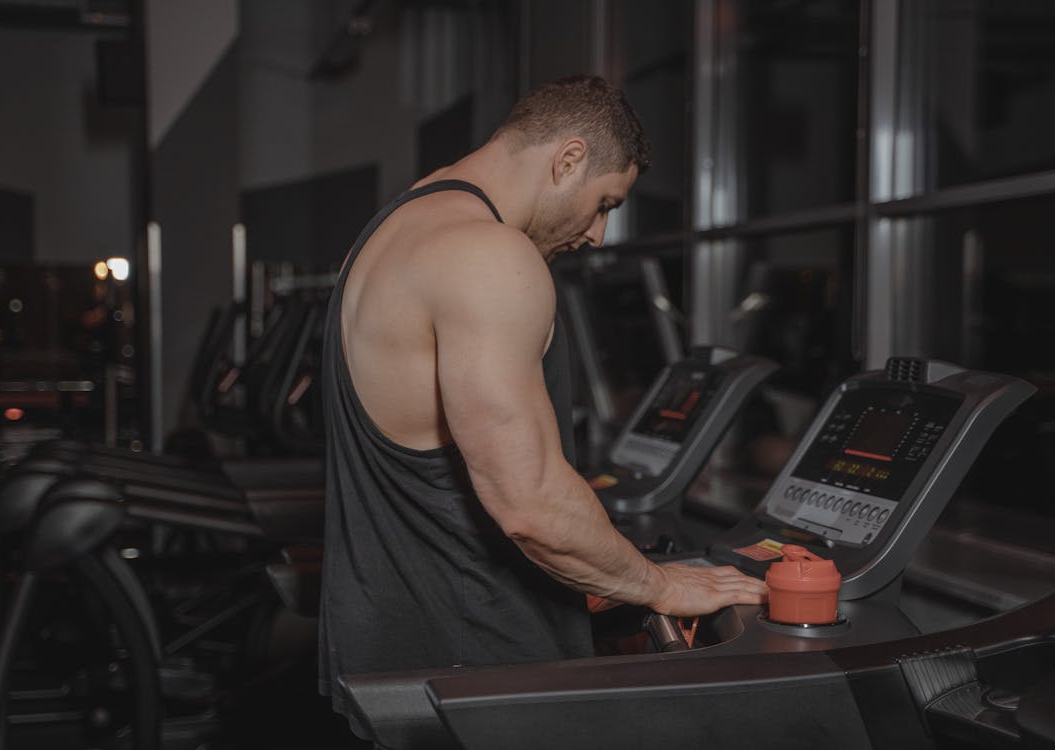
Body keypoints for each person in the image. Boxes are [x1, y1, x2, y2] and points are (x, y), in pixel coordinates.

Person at [318, 75, 768, 715]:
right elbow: (529, 506)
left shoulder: (392, 228)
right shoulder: (489, 256)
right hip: (473, 668)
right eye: (606, 203)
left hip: (388, 650)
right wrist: (659, 584)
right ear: (569, 159)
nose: (598, 235)